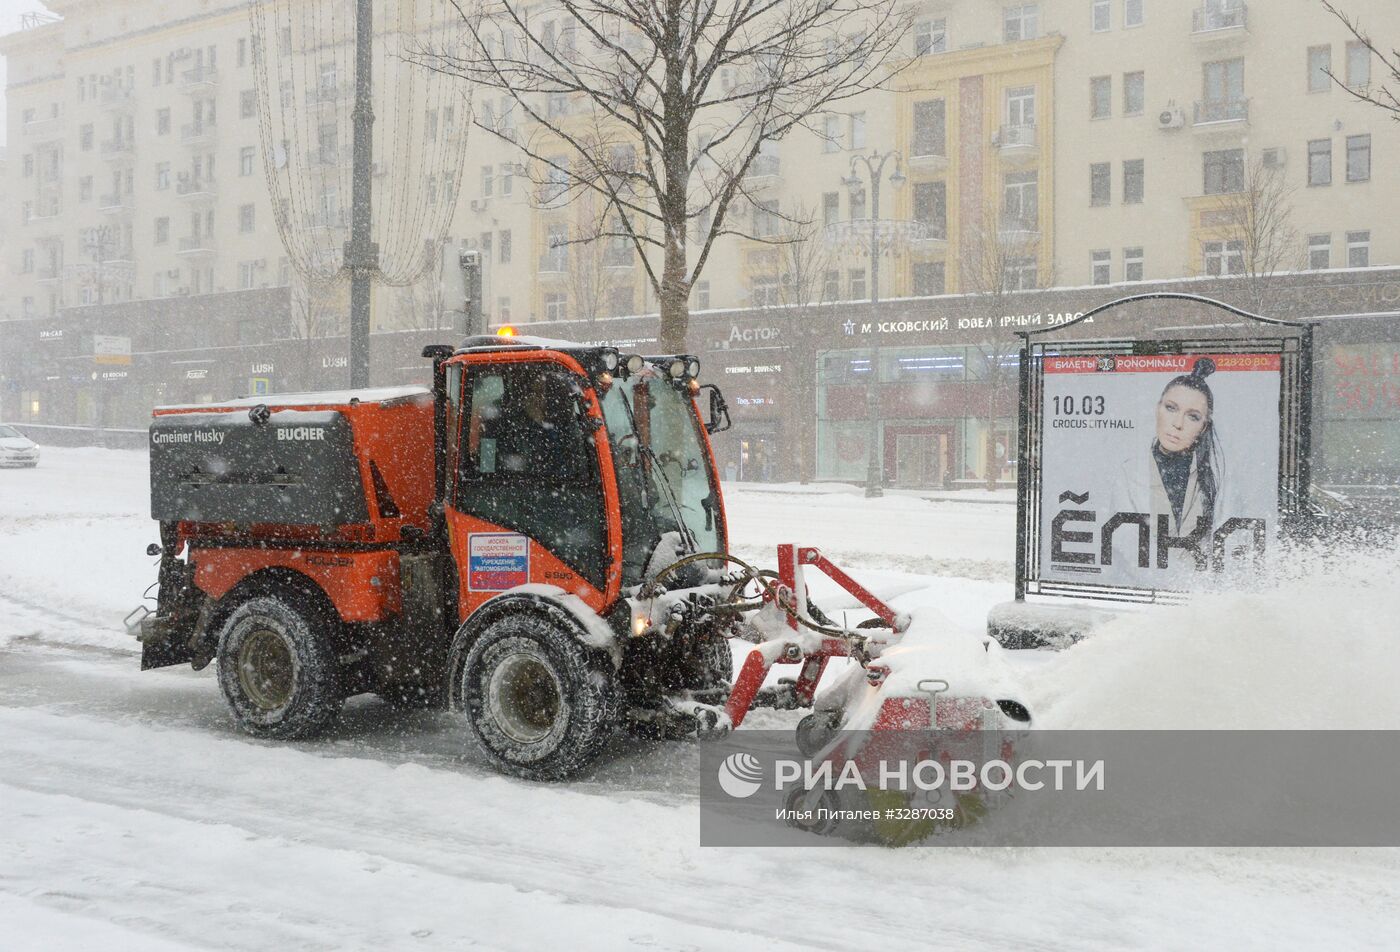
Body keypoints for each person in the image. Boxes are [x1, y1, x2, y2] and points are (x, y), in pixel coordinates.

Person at [1118, 357, 1223, 536]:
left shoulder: (1215, 478)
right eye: (1171, 408)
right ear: (1157, 408)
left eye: (1193, 417)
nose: (1178, 423)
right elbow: (1121, 545)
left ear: (1203, 427)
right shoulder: (1129, 473)